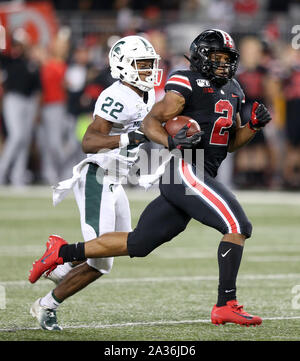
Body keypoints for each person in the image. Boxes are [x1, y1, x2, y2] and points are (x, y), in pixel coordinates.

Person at [29, 29, 271, 327]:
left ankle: (60, 260)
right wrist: (167, 142)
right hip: (163, 170)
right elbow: (131, 129)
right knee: (237, 225)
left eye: (227, 58)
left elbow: (230, 142)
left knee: (137, 244)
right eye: (216, 57)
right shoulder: (179, 82)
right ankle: (226, 304)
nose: (222, 63)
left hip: (173, 173)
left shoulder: (234, 89)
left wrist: (254, 125)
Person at [29, 35, 162, 330]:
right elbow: (89, 141)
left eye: (150, 64)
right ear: (123, 66)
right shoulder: (116, 96)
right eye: (142, 64)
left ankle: (58, 268)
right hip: (97, 177)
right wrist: (127, 138)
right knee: (101, 256)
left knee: (120, 251)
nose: (148, 70)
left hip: (116, 180)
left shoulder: (146, 93)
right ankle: (53, 280)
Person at [0, 30, 41, 186]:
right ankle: (2, 171)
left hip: (29, 101)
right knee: (16, 136)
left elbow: (38, 88)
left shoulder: (31, 62)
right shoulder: (9, 60)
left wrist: (37, 109)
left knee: (24, 139)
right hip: (13, 99)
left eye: (20, 44)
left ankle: (18, 176)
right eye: (16, 44)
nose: (18, 47)